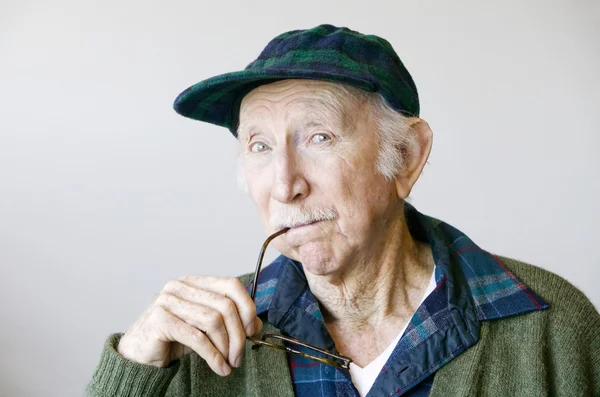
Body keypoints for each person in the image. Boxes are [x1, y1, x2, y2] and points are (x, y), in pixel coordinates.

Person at [86, 24, 600, 397]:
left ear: (406, 156)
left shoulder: (554, 330)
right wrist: (135, 367)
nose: (285, 185)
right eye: (259, 146)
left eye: (319, 137)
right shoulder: (202, 345)